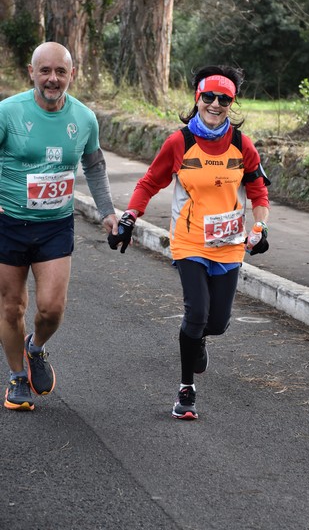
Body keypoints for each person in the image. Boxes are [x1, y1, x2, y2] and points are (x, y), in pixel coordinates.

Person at [108, 65, 270, 420]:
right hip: (189, 242)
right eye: (208, 96)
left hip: (228, 244)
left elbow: (259, 192)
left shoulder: (243, 146)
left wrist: (260, 228)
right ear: (197, 99)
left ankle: (199, 338)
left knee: (217, 323)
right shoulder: (179, 142)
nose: (215, 104)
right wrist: (129, 217)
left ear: (232, 103)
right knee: (196, 312)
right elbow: (149, 182)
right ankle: (186, 390)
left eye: (224, 98)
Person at [0, 41, 118, 411]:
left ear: (72, 75)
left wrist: (108, 212)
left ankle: (35, 348)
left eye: (61, 71)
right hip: (8, 223)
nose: (53, 79)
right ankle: (18, 376)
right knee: (11, 308)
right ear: (31, 72)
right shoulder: (7, 112)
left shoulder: (83, 118)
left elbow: (95, 167)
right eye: (46, 70)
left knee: (52, 308)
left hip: (55, 224)